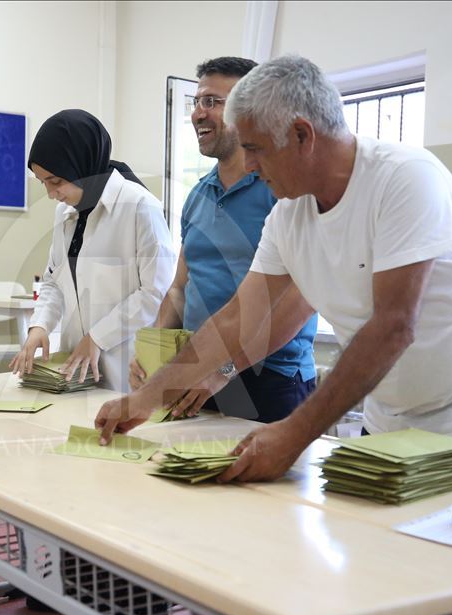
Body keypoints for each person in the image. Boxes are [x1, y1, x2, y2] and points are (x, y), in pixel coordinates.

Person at [94, 55, 452, 615]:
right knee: (383, 596)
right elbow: (237, 319)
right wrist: (147, 396)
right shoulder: (290, 215)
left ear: (303, 135)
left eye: (256, 149)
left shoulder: (405, 179)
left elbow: (393, 327)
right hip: (396, 425)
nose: (250, 165)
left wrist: (293, 434)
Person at [129, 56, 316, 423]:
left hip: (271, 378)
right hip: (200, 374)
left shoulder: (283, 191)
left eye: (212, 102)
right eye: (197, 102)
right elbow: (180, 288)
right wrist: (153, 349)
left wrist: (225, 369)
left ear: (249, 110)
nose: (199, 113)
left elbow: (302, 299)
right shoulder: (198, 196)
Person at [9, 109, 176, 394]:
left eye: (55, 181)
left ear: (82, 166)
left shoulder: (140, 206)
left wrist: (98, 338)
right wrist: (40, 326)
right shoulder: (66, 213)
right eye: (42, 182)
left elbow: (155, 292)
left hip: (123, 365)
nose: (50, 194)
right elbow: (53, 281)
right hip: (75, 367)